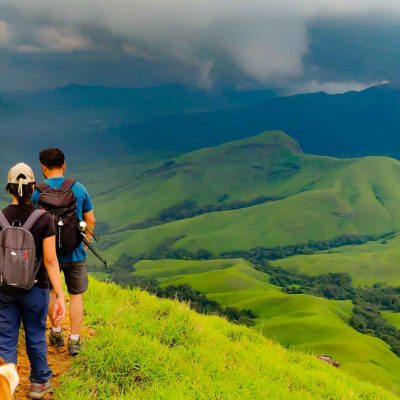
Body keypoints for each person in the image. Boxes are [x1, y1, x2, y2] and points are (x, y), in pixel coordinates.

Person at [0, 162, 65, 399]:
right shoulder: (44, 218)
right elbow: (50, 261)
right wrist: (59, 295)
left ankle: (5, 388)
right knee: (35, 335)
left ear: (9, 189)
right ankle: (39, 383)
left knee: (5, 339)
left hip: (4, 289)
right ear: (32, 188)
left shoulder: (0, 218)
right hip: (36, 289)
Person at [32, 148, 95, 356]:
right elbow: (90, 219)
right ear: (64, 164)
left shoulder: (36, 192)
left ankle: (56, 331)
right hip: (75, 253)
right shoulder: (78, 188)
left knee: (51, 292)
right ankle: (75, 339)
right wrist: (83, 244)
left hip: (48, 255)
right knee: (75, 296)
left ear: (43, 167)